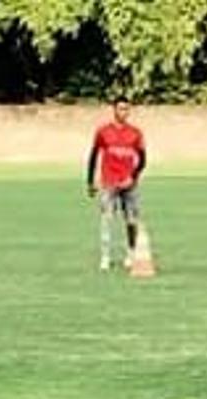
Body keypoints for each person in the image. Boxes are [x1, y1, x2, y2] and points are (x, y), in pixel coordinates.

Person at [86, 99, 146, 271]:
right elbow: (93, 155)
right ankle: (105, 256)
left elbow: (142, 160)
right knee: (106, 219)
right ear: (114, 110)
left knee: (131, 220)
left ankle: (130, 253)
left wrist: (132, 177)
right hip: (108, 182)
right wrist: (90, 181)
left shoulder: (136, 133)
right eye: (120, 109)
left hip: (128, 183)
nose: (123, 112)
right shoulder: (103, 132)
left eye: (126, 109)